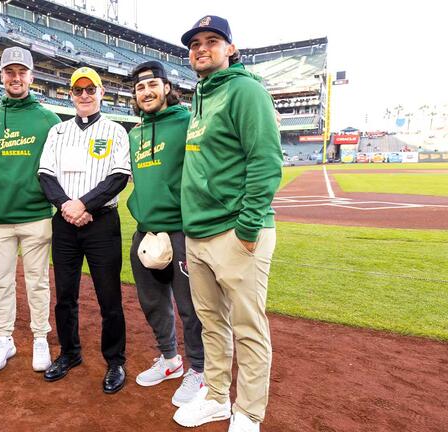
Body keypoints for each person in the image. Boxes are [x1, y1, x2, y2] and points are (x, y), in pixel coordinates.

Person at [171, 16, 283, 432]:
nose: (202, 48)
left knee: (248, 326)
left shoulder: (245, 90)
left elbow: (267, 161)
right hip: (198, 234)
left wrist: (249, 228)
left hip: (236, 232)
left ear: (230, 49)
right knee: (211, 323)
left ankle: (249, 413)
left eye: (212, 41)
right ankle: (217, 397)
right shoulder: (200, 96)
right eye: (195, 43)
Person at [38, 67, 131, 394]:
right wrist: (68, 206)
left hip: (102, 223)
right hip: (65, 224)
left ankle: (115, 360)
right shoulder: (58, 132)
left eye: (90, 89)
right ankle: (70, 353)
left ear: (101, 92)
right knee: (65, 296)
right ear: (71, 95)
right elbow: (45, 175)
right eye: (78, 90)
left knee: (109, 297)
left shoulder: (116, 130)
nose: (85, 95)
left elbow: (118, 176)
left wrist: (83, 206)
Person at [0, 47, 61, 373]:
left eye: (21, 72)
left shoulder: (48, 119)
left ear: (31, 76)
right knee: (2, 282)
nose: (16, 77)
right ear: (1, 76)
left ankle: (40, 337)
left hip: (37, 214)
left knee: (38, 282)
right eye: (9, 72)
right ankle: (5, 338)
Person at [126, 61, 206, 407]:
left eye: (152, 85)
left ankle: (199, 371)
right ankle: (171, 360)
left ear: (166, 87)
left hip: (179, 230)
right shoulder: (134, 133)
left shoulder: (187, 122)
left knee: (190, 307)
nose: (146, 92)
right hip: (145, 231)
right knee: (152, 303)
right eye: (140, 88)